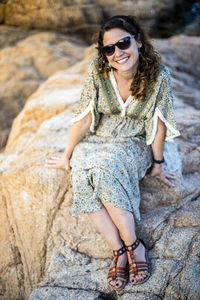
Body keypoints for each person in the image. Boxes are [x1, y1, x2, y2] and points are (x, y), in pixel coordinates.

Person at [45, 15, 180, 291]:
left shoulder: (158, 76)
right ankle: (120, 250)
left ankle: (134, 245)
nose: (118, 52)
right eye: (109, 48)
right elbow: (84, 117)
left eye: (124, 43)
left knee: (106, 171)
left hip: (134, 140)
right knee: (82, 174)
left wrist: (157, 163)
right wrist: (67, 155)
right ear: (104, 54)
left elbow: (159, 124)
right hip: (99, 137)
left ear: (138, 42)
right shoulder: (98, 71)